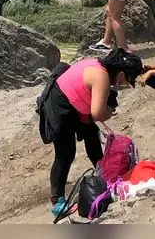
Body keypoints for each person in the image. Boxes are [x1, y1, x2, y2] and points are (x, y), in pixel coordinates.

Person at [38, 47, 144, 217]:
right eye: (126, 81)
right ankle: (57, 201)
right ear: (122, 74)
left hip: (75, 103)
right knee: (65, 153)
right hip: (60, 104)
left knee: (92, 138)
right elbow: (97, 114)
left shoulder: (100, 66)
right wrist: (108, 111)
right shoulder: (101, 76)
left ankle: (104, 178)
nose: (123, 84)